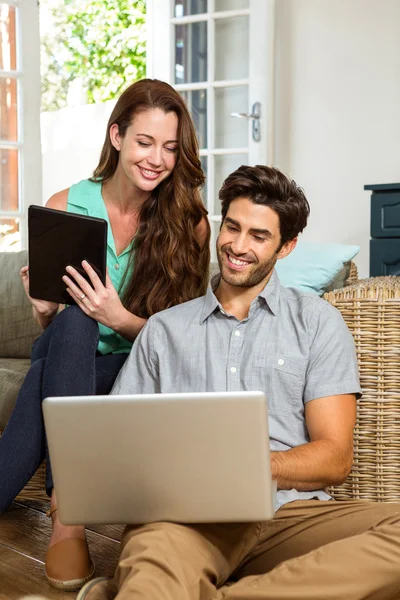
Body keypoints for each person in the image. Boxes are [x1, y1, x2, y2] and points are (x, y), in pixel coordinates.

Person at [78, 165, 400, 600]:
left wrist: (249, 466)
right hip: (186, 516)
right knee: (153, 567)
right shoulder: (163, 331)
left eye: (259, 236)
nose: (238, 246)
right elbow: (118, 451)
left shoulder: (318, 323)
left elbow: (335, 458)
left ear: (286, 246)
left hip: (291, 516)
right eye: (232, 227)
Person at [0, 79, 210, 591]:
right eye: (144, 142)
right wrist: (46, 311)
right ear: (116, 136)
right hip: (70, 354)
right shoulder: (66, 204)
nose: (157, 159)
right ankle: (70, 505)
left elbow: (182, 340)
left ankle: (67, 512)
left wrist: (119, 317)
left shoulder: (191, 224)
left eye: (169, 146)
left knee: (66, 346)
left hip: (133, 369)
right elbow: (55, 329)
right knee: (72, 321)